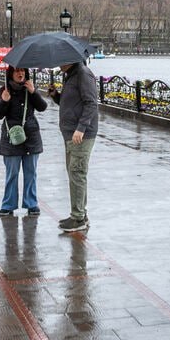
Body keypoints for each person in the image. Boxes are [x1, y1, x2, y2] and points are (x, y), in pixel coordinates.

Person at [50, 58, 98, 233]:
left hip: (80, 135)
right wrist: (56, 96)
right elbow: (71, 104)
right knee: (74, 173)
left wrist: (81, 128)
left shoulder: (83, 74)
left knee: (77, 172)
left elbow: (91, 103)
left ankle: (78, 218)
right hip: (70, 133)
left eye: (61, 59)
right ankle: (80, 214)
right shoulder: (70, 75)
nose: (59, 62)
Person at [0, 67, 47, 217]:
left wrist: (34, 92)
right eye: (16, 71)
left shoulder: (30, 88)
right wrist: (4, 101)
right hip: (12, 138)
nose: (20, 73)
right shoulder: (4, 90)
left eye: (22, 70)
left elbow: (43, 107)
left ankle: (31, 203)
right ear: (11, 73)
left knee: (31, 172)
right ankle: (8, 204)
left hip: (31, 137)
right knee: (12, 173)